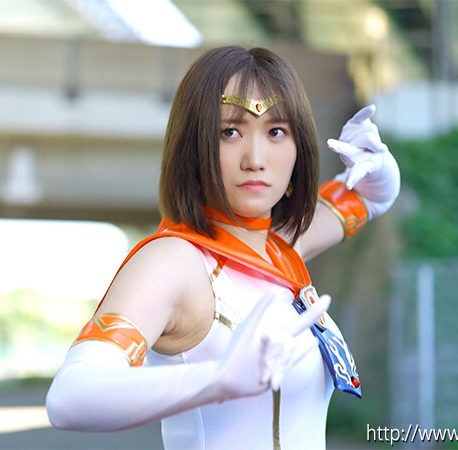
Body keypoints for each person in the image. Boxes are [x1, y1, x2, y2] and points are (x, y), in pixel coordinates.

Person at [45, 46, 400, 449]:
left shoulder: (279, 248)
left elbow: (373, 196)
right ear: (193, 147)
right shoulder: (175, 262)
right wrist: (217, 378)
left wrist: (378, 163)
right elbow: (69, 398)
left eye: (276, 131)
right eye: (230, 131)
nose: (255, 159)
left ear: (298, 148)